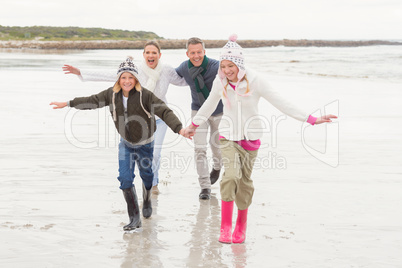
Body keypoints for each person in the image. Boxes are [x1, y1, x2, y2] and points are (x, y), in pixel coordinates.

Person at [183, 35, 337, 244]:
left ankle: (241, 226)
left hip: (251, 139)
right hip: (227, 136)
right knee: (230, 177)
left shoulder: (255, 81)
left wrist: (311, 119)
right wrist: (192, 126)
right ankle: (225, 227)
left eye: (231, 66)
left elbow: (280, 101)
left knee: (244, 183)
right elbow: (209, 105)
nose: (227, 70)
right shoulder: (221, 82)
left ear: (239, 64)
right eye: (224, 66)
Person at [51, 57, 191, 231]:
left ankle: (147, 199)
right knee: (125, 179)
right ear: (119, 79)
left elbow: (164, 110)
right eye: (123, 78)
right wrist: (68, 103)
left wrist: (179, 129)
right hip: (126, 144)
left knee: (147, 176)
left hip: (145, 144)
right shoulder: (112, 94)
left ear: (136, 79)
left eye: (130, 77)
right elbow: (92, 101)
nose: (127, 81)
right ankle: (134, 218)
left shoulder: (145, 95)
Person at [62, 41, 188, 195]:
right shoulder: (136, 71)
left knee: (155, 153)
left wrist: (205, 79)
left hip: (160, 118)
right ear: (143, 55)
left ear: (159, 55)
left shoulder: (167, 70)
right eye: (147, 52)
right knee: (136, 154)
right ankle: (138, 182)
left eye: (154, 53)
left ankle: (153, 184)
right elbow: (110, 76)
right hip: (139, 120)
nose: (151, 55)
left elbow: (183, 81)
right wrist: (81, 72)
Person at [175, 37, 223, 200]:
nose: (196, 56)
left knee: (216, 145)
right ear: (187, 53)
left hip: (219, 111)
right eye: (192, 53)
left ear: (204, 52)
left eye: (199, 52)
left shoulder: (216, 67)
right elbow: (168, 76)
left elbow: (234, 77)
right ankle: (205, 187)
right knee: (199, 148)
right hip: (198, 111)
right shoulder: (184, 68)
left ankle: (217, 167)